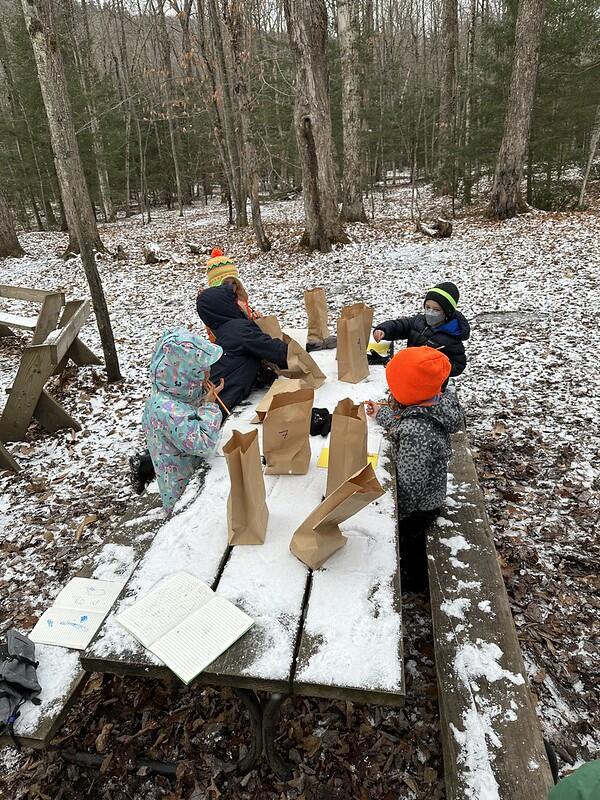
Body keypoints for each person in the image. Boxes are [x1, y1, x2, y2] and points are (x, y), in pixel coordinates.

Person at [366, 346, 463, 591]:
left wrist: (393, 516)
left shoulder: (416, 433)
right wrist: (383, 413)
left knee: (409, 544)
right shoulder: (435, 403)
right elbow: (408, 416)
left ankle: (414, 582)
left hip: (420, 507)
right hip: (431, 492)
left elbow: (410, 486)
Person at [140, 329, 225, 516]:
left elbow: (188, 420)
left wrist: (202, 401)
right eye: (202, 370)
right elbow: (202, 444)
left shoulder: (173, 395)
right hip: (184, 497)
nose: (208, 373)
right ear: (186, 373)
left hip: (193, 481)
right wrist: (209, 407)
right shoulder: (166, 410)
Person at [196, 283, 288, 413]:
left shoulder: (223, 331)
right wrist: (298, 352)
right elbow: (279, 352)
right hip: (222, 406)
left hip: (215, 402)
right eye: (235, 301)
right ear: (226, 307)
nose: (240, 304)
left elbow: (241, 362)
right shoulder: (239, 330)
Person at [372, 281, 470, 381]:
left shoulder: (452, 338)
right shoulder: (418, 321)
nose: (430, 312)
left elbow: (458, 365)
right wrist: (383, 330)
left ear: (447, 313)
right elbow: (400, 326)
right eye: (428, 307)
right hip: (411, 374)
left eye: (436, 310)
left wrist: (436, 367)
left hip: (431, 385)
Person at [202, 248, 261, 342]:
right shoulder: (213, 308)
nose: (231, 287)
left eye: (233, 283)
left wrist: (255, 319)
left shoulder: (240, 298)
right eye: (225, 285)